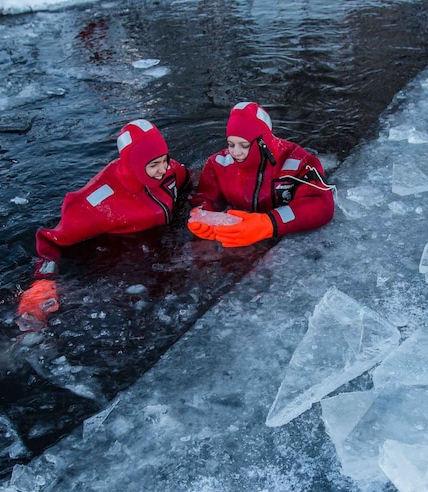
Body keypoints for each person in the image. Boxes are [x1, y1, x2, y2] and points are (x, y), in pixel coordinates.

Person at [17, 118, 191, 330]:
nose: (162, 170)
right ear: (133, 164)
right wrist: (43, 281)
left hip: (161, 245)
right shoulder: (97, 202)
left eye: (165, 160)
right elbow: (51, 239)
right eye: (153, 165)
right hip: (120, 262)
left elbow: (189, 180)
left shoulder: (169, 171)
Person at [188, 102, 334, 247]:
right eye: (231, 144)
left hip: (279, 233)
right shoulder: (217, 164)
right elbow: (204, 197)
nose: (236, 152)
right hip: (239, 232)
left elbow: (322, 204)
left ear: (262, 142)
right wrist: (202, 214)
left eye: (244, 145)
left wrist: (268, 223)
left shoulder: (298, 162)